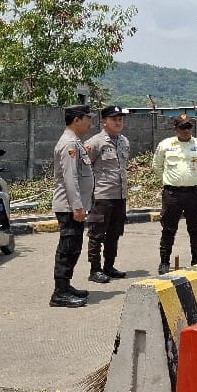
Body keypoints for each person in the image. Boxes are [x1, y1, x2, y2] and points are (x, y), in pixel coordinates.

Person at [152, 113, 197, 274]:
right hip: (172, 194)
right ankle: (164, 262)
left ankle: (196, 261)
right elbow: (157, 166)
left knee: (195, 229)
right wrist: (169, 180)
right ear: (175, 129)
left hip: (193, 193)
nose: (186, 130)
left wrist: (196, 179)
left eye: (188, 127)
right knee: (168, 229)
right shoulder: (165, 145)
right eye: (182, 127)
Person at [50, 104, 95, 308]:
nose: (90, 123)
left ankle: (65, 286)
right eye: (87, 118)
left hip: (74, 205)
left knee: (73, 246)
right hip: (69, 206)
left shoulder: (75, 142)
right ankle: (59, 293)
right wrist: (77, 207)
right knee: (67, 248)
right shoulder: (69, 143)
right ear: (77, 120)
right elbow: (70, 178)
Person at [84, 105, 130, 283]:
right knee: (97, 235)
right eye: (114, 119)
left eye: (120, 119)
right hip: (102, 196)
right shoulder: (95, 142)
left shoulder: (124, 141)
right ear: (104, 121)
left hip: (120, 195)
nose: (118, 123)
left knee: (114, 233)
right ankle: (95, 270)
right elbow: (84, 168)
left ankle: (109, 266)